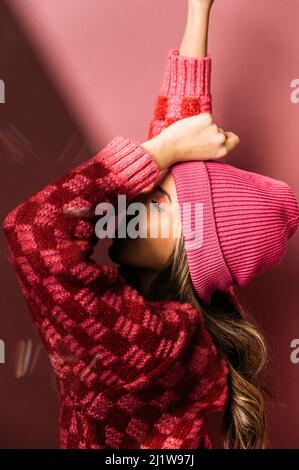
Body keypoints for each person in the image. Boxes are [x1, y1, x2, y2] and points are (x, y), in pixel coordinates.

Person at [3, 0, 299, 449]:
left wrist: (161, 152)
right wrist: (198, 13)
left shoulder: (147, 344)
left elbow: (31, 231)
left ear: (188, 249)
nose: (132, 201)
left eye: (155, 203)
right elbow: (178, 145)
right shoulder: (189, 302)